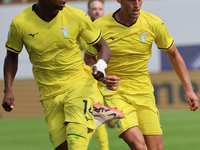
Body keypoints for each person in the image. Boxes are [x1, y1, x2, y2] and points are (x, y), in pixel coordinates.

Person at [2, 0, 124, 150]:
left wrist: (100, 67)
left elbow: (103, 46)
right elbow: (11, 55)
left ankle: (93, 118)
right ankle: (94, 117)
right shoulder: (20, 23)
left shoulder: (76, 16)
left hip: (78, 86)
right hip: (49, 94)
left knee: (76, 144)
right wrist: (8, 89)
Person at [84, 0, 199, 150]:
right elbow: (89, 56)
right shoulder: (100, 25)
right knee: (139, 146)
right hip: (115, 93)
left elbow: (174, 54)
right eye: (132, 0)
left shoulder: (153, 23)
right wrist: (102, 77)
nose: (137, 4)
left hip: (144, 92)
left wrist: (189, 89)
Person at [86, 1, 114, 150]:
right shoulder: (82, 28)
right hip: (87, 79)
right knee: (97, 115)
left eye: (99, 9)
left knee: (102, 117)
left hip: (107, 77)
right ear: (88, 11)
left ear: (103, 11)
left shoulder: (108, 28)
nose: (97, 11)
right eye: (93, 9)